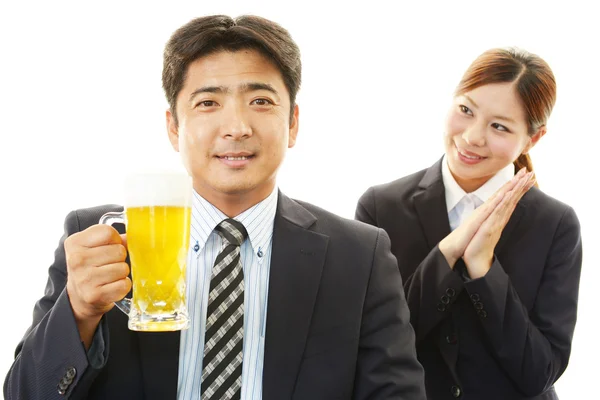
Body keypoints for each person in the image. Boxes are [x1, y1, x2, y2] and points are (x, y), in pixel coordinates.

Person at [4, 15, 426, 400]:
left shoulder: (359, 255)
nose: (237, 127)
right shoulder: (98, 237)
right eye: (208, 103)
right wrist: (78, 313)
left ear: (293, 122)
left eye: (260, 101)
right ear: (174, 126)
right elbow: (25, 393)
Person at [355, 48, 582, 400]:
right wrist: (448, 252)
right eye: (465, 110)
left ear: (533, 139)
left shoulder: (556, 224)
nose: (473, 137)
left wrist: (483, 269)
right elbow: (375, 344)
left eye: (499, 126)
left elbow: (540, 372)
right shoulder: (381, 207)